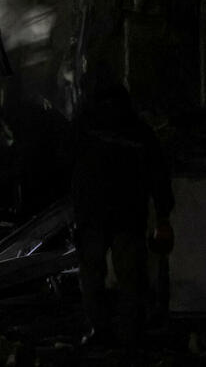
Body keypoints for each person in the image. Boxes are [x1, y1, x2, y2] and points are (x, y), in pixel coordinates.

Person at [72, 77, 174, 349]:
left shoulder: (86, 129)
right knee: (131, 279)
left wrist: (76, 214)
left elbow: (70, 174)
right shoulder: (139, 132)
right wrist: (163, 214)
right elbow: (159, 177)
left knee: (93, 278)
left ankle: (101, 330)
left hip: (94, 217)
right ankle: (130, 334)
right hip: (127, 216)